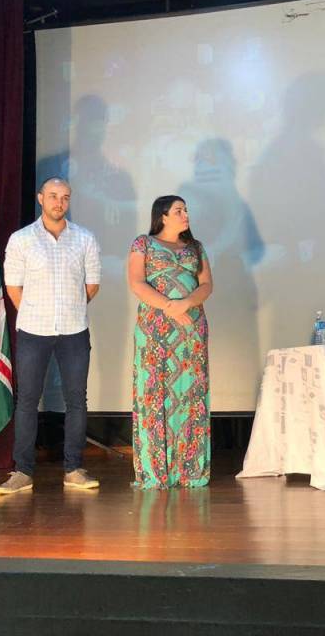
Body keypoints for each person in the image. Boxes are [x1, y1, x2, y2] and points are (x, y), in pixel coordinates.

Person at [0, 178, 101, 495]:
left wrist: (68, 308)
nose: (59, 202)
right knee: (27, 400)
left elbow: (92, 285)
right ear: (41, 198)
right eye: (53, 196)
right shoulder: (22, 239)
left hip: (74, 330)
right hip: (33, 330)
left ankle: (74, 469)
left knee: (76, 400)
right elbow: (13, 286)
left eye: (65, 197)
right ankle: (22, 472)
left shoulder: (84, 238)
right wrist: (37, 312)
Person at [127, 195, 213, 488]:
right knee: (154, 390)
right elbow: (137, 282)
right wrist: (169, 306)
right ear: (162, 216)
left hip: (191, 327)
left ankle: (189, 469)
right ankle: (156, 470)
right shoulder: (143, 243)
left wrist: (186, 303)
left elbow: (206, 285)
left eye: (186, 210)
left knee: (191, 391)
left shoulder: (196, 247)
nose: (185, 214)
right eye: (179, 210)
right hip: (156, 327)